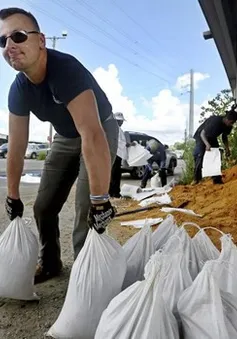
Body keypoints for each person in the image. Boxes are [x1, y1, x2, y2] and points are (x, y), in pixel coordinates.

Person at [0, 7, 119, 284]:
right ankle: (51, 262)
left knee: (86, 210)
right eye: (2, 41)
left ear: (41, 40)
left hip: (99, 129)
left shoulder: (65, 70)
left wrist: (100, 200)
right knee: (43, 206)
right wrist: (13, 196)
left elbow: (91, 133)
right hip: (66, 137)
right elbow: (16, 147)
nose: (9, 46)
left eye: (17, 36)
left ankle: (87, 279)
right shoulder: (18, 89)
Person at [193, 108, 237, 184]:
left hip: (212, 136)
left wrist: (227, 148)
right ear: (227, 119)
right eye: (231, 122)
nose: (232, 124)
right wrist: (207, 144)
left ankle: (216, 180)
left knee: (215, 155)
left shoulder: (228, 126)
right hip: (201, 136)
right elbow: (202, 133)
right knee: (200, 154)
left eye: (233, 123)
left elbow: (224, 136)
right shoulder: (215, 122)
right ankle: (197, 179)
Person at [109, 112, 131, 198]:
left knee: (114, 173)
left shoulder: (117, 129)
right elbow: (119, 142)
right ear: (116, 121)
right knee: (115, 174)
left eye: (122, 121)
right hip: (116, 154)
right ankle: (115, 192)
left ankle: (112, 191)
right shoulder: (115, 129)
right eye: (120, 121)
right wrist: (128, 144)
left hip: (116, 154)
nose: (121, 123)